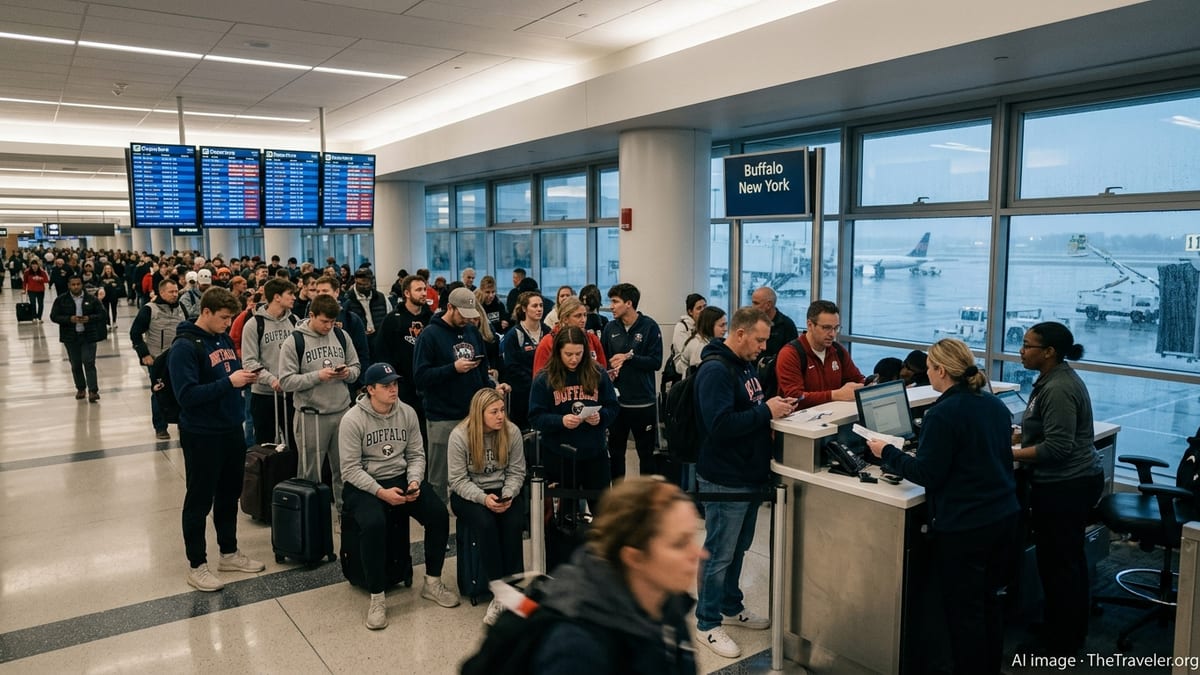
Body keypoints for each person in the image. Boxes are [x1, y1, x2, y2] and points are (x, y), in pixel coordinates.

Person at [867, 338, 1019, 674]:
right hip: (1004, 517)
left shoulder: (942, 414)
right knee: (989, 601)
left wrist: (887, 452)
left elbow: (928, 474)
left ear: (940, 371)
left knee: (965, 612)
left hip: (966, 526)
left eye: (929, 369)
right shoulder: (993, 405)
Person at [693, 306, 794, 658]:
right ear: (739, 334)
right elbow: (720, 426)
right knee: (719, 553)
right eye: (759, 340)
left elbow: (749, 408)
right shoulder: (716, 371)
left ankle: (729, 605)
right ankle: (707, 622)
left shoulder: (744, 364)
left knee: (738, 548)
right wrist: (766, 411)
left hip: (748, 473)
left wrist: (772, 408)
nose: (764, 347)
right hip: (725, 477)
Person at [529, 477, 703, 673]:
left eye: (692, 537)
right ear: (634, 557)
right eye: (680, 543)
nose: (699, 553)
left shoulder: (666, 598)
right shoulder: (577, 648)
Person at [340, 362, 460, 630]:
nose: (393, 389)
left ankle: (432, 582)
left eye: (394, 384)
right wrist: (381, 493)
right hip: (365, 484)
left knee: (438, 514)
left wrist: (415, 481)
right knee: (374, 524)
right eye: (386, 386)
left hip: (401, 477)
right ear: (370, 389)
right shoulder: (352, 420)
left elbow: (416, 454)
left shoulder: (407, 412)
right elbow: (349, 469)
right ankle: (377, 597)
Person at [1013, 321, 1104, 655]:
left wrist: (1009, 453)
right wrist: (1022, 437)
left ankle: (1062, 640)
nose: (1021, 351)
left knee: (1060, 564)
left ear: (1049, 352)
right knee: (1065, 560)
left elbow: (1057, 448)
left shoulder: (1058, 388)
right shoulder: (1053, 379)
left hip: (1066, 485)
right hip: (1070, 481)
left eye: (1028, 345)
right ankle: (1064, 626)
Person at [171, 286, 265, 592]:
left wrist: (243, 377)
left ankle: (228, 552)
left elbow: (229, 374)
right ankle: (197, 565)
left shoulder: (222, 338)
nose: (228, 323)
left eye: (230, 318)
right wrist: (229, 383)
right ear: (206, 312)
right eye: (224, 317)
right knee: (199, 500)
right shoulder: (184, 347)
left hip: (230, 428)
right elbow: (187, 396)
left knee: (229, 494)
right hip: (201, 433)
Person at [412, 287, 510, 504]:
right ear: (450, 307)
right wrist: (453, 369)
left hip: (472, 415)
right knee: (439, 476)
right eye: (462, 315)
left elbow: (482, 370)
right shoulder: (429, 335)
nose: (467, 320)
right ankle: (439, 518)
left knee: (473, 472)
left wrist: (492, 389)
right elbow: (420, 377)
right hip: (442, 415)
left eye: (470, 315)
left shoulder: (472, 332)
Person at [278, 294, 361, 517]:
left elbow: (356, 367)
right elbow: (285, 381)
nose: (328, 326)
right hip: (311, 415)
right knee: (310, 473)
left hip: (342, 412)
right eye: (324, 321)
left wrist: (347, 373)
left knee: (346, 469)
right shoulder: (295, 341)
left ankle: (347, 516)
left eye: (332, 322)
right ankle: (311, 521)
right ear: (312, 315)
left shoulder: (341, 335)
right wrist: (317, 376)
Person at [447, 388, 527, 622]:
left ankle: (512, 586)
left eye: (502, 410)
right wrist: (483, 499)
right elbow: (457, 480)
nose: (500, 416)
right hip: (469, 493)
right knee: (486, 523)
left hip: (502, 490)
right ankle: (500, 594)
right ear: (479, 413)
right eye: (494, 412)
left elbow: (517, 471)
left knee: (514, 522)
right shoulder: (460, 435)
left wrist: (508, 494)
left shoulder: (512, 431)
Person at [529, 327, 619, 506]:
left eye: (578, 354)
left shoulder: (598, 372)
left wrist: (601, 417)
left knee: (602, 509)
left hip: (594, 453)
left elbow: (613, 406)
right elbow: (535, 417)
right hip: (560, 455)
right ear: (558, 352)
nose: (574, 359)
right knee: (566, 512)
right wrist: (560, 421)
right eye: (568, 354)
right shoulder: (544, 378)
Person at [601, 283, 663, 480]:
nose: (611, 306)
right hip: (616, 404)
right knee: (616, 454)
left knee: (646, 455)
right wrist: (609, 371)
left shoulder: (650, 327)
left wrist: (629, 358)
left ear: (629, 303)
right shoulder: (610, 328)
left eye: (615, 302)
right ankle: (618, 496)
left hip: (643, 403)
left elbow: (656, 362)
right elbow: (603, 362)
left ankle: (647, 497)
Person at [241, 278, 300, 449]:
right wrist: (271, 379)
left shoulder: (295, 321)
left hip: (291, 394)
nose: (294, 297)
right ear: (277, 297)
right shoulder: (254, 324)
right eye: (290, 294)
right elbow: (249, 361)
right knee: (265, 445)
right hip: (264, 395)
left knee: (295, 442)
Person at [774, 299, 866, 408]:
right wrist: (835, 395)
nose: (832, 334)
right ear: (810, 325)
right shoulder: (790, 354)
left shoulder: (838, 350)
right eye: (826, 328)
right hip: (802, 417)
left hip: (834, 413)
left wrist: (867, 385)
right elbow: (795, 397)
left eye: (836, 328)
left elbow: (857, 379)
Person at [376, 274, 434, 443]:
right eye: (418, 290)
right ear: (407, 293)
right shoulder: (392, 320)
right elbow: (382, 353)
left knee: (426, 435)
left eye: (424, 289)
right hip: (403, 385)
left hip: (427, 385)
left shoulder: (431, 319)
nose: (424, 293)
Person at [130, 278, 185, 439]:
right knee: (159, 392)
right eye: (171, 292)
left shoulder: (181, 307)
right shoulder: (149, 309)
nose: (175, 294)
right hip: (158, 359)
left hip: (179, 357)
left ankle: (183, 422)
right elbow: (135, 333)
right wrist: (144, 354)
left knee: (183, 389)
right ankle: (160, 426)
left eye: (176, 291)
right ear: (161, 292)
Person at [50, 276, 107, 402]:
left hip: (88, 336)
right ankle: (81, 388)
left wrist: (89, 318)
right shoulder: (61, 300)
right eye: (73, 284)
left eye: (78, 284)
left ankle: (93, 391)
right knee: (75, 364)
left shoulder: (92, 299)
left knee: (89, 362)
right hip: (70, 337)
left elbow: (102, 314)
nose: (76, 287)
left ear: (82, 285)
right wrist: (69, 319)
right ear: (69, 285)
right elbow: (54, 316)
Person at [499, 291, 549, 430]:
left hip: (546, 390)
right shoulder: (514, 335)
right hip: (522, 394)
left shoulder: (548, 331)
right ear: (524, 309)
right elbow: (511, 366)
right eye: (534, 306)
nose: (539, 309)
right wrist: (534, 382)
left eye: (541, 305)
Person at [532, 296, 607, 374]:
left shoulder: (592, 339)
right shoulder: (548, 342)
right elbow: (538, 376)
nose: (583, 320)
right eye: (578, 316)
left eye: (585, 315)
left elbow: (602, 371)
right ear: (565, 319)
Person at [344, 268, 388, 361]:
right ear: (355, 281)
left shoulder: (381, 297)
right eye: (360, 284)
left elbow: (388, 318)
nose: (363, 287)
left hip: (378, 341)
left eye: (366, 284)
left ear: (371, 282)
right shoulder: (347, 299)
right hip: (357, 342)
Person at [749, 286, 798, 363]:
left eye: (756, 303)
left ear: (768, 305)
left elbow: (792, 356)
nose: (752, 307)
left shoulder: (787, 326)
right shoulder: (749, 322)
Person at [675, 306, 727, 376]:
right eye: (721, 325)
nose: (725, 329)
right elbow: (699, 377)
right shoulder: (698, 346)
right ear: (709, 325)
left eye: (726, 324)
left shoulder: (711, 341)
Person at [671, 293, 707, 359]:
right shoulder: (682, 327)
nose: (703, 310)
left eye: (705, 306)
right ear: (690, 312)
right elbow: (683, 353)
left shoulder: (706, 325)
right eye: (699, 308)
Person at [22, 258, 50, 323]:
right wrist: (24, 289)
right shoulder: (27, 272)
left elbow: (46, 280)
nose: (34, 267)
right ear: (31, 266)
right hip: (31, 290)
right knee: (33, 304)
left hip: (40, 290)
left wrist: (40, 278)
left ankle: (39, 317)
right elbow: (24, 282)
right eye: (33, 266)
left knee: (40, 304)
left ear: (38, 265)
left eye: (35, 266)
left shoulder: (42, 272)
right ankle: (34, 317)